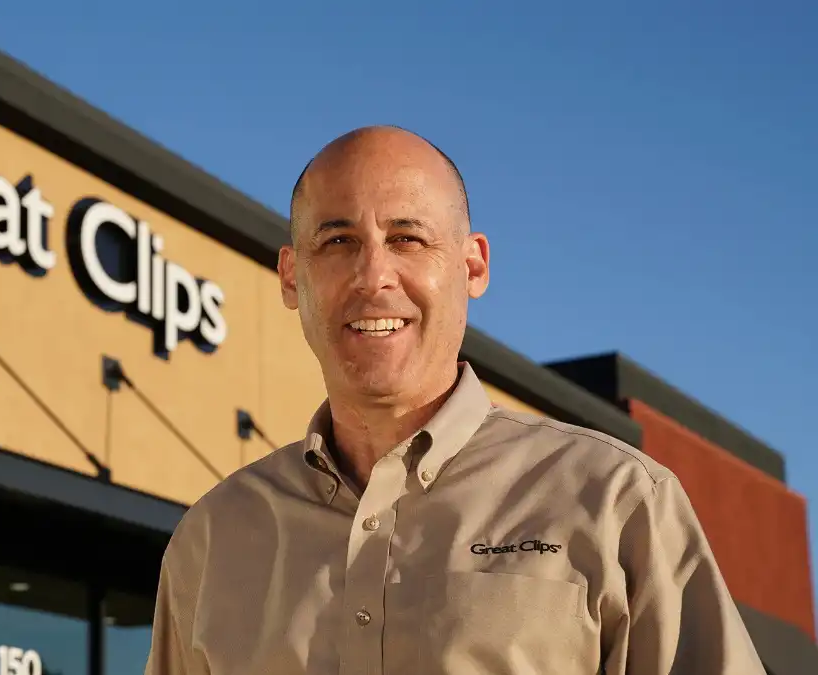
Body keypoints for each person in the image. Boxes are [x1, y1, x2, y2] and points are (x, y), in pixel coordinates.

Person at [144, 125, 765, 674]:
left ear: (473, 267)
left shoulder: (617, 502)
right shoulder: (213, 539)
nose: (372, 276)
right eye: (337, 242)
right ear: (290, 276)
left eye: (408, 239)